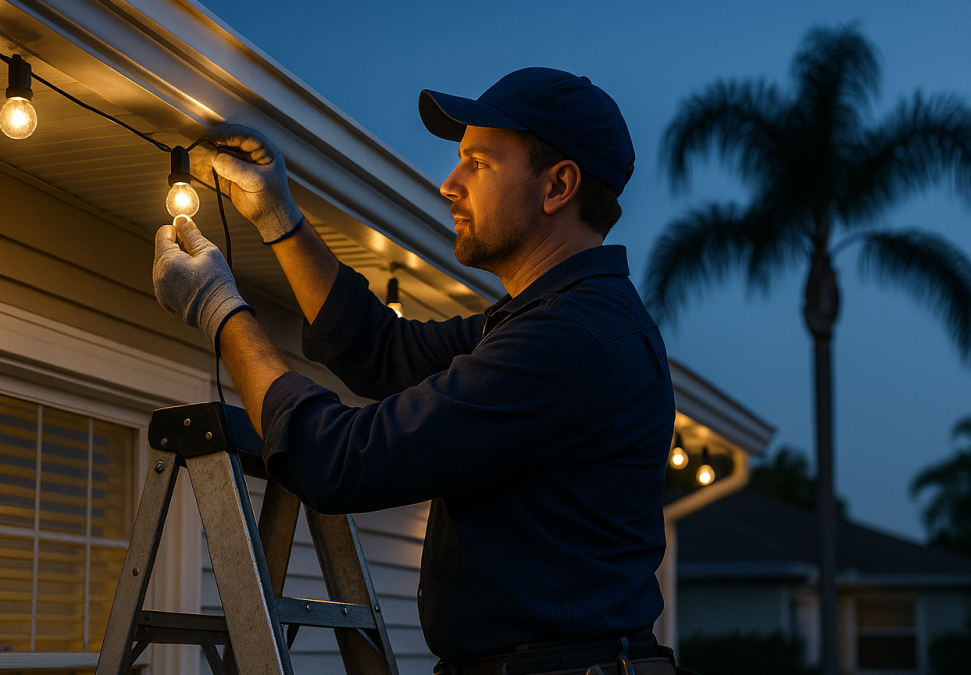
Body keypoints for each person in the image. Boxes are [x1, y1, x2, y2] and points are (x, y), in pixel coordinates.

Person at [151, 67, 678, 675]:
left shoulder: (568, 341)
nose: (449, 184)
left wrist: (219, 310)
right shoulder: (549, 322)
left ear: (557, 185)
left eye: (478, 163)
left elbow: (342, 461)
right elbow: (384, 349)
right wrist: (279, 219)